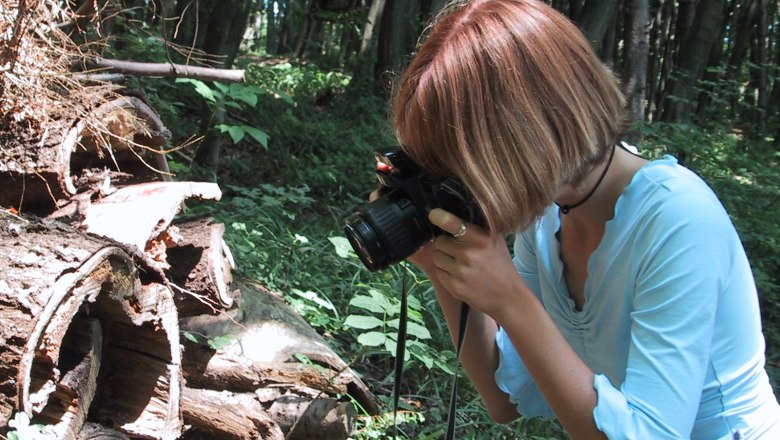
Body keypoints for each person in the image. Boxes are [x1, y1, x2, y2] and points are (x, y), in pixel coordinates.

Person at [388, 0, 780, 438]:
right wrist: (437, 261)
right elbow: (505, 398)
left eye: (458, 163)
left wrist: (512, 302)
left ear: (522, 135)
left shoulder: (679, 221)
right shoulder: (547, 216)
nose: (457, 183)